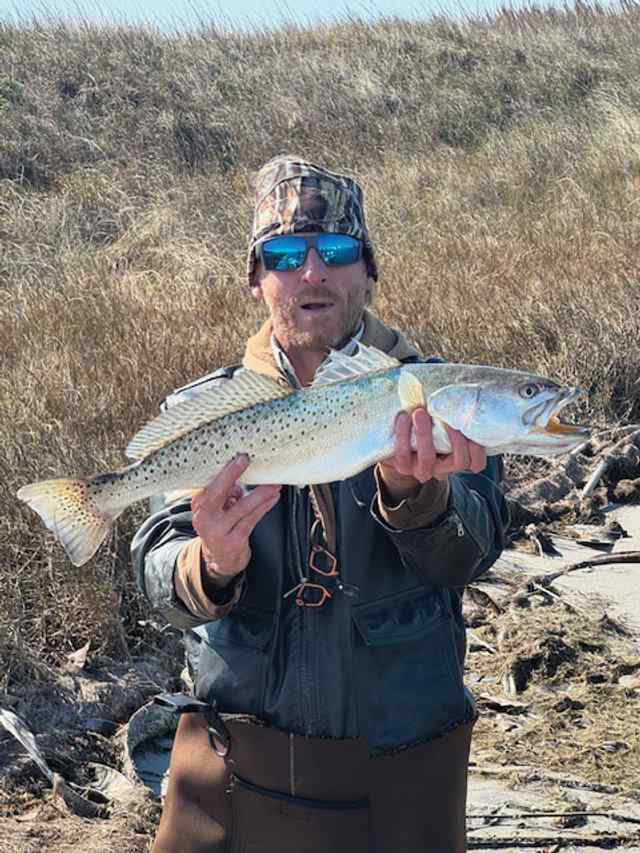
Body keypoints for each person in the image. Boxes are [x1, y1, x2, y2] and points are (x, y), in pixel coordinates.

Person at [131, 155, 509, 853]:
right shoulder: (203, 413)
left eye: (336, 250)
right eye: (284, 255)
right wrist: (211, 562)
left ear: (368, 271)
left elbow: (472, 555)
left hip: (406, 769)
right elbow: (160, 582)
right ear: (257, 278)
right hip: (233, 770)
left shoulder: (443, 397)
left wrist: (416, 496)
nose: (312, 272)